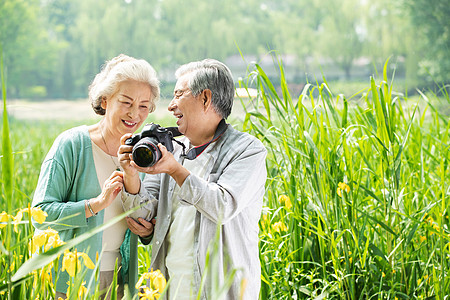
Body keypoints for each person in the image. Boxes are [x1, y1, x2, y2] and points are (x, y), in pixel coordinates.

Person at [119, 59, 267, 299]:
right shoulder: (173, 151)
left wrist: (175, 170)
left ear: (205, 98)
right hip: (170, 290)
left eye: (178, 95)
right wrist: (131, 172)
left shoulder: (247, 151)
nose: (171, 106)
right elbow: (146, 213)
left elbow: (222, 205)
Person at [32, 54, 160, 299]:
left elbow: (147, 215)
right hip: (72, 280)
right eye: (126, 102)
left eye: (144, 105)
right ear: (105, 99)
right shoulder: (72, 145)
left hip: (121, 280)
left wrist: (147, 231)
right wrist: (95, 204)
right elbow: (41, 215)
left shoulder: (144, 152)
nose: (135, 114)